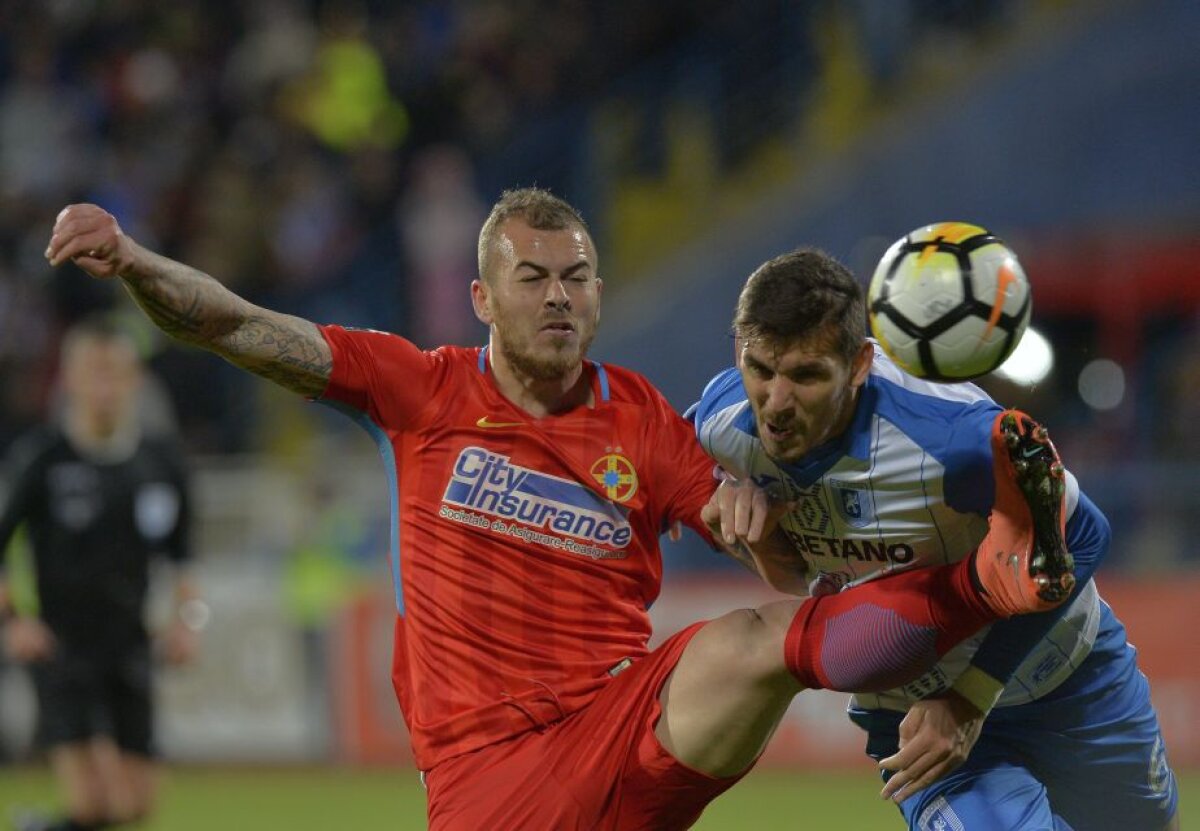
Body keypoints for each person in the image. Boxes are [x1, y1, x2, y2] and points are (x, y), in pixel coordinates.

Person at [45, 191, 1066, 831]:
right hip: (489, 778)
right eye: (531, 278)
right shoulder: (418, 390)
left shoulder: (646, 423)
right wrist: (136, 262)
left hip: (624, 731)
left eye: (576, 275)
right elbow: (241, 326)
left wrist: (762, 527)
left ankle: (995, 574)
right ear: (484, 299)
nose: (558, 296)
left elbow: (787, 575)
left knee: (758, 639)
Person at [688, 247, 1181, 830]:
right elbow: (802, 575)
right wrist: (743, 523)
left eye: (807, 376)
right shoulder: (722, 429)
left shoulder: (952, 440)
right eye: (759, 369)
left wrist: (971, 696)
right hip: (914, 713)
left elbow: (1085, 534)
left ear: (861, 364)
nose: (776, 404)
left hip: (1067, 678)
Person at [0, 316, 200, 831]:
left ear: (134, 380)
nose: (106, 386)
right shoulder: (43, 459)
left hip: (131, 644)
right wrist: (14, 622)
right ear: (70, 380)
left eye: (116, 373)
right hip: (61, 648)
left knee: (135, 804)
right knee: (93, 801)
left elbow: (183, 559)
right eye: (95, 372)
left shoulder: (160, 463)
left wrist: (185, 623)